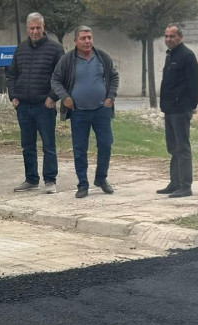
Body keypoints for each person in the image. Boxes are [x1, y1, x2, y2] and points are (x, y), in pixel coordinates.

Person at [51, 25, 119, 199]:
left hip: (101, 111)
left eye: (89, 37)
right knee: (80, 149)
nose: (87, 41)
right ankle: (82, 184)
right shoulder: (67, 60)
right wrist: (65, 97)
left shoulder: (101, 57)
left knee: (106, 144)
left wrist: (110, 97)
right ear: (75, 41)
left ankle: (101, 179)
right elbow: (56, 80)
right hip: (79, 112)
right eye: (83, 38)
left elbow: (114, 76)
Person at [7, 12, 65, 194]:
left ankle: (50, 180)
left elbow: (62, 77)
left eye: (38, 27)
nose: (35, 31)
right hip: (23, 106)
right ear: (27, 29)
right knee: (27, 145)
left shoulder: (55, 49)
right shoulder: (21, 48)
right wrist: (12, 96)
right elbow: (12, 74)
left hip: (44, 106)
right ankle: (31, 179)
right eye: (32, 28)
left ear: (43, 27)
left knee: (48, 145)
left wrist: (53, 97)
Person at [158, 24, 198, 198]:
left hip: (181, 109)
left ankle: (185, 186)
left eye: (172, 36)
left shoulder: (187, 56)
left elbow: (194, 84)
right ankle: (175, 183)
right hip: (170, 109)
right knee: (172, 147)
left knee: (182, 148)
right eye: (166, 36)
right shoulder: (171, 55)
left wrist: (190, 106)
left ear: (180, 37)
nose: (168, 39)